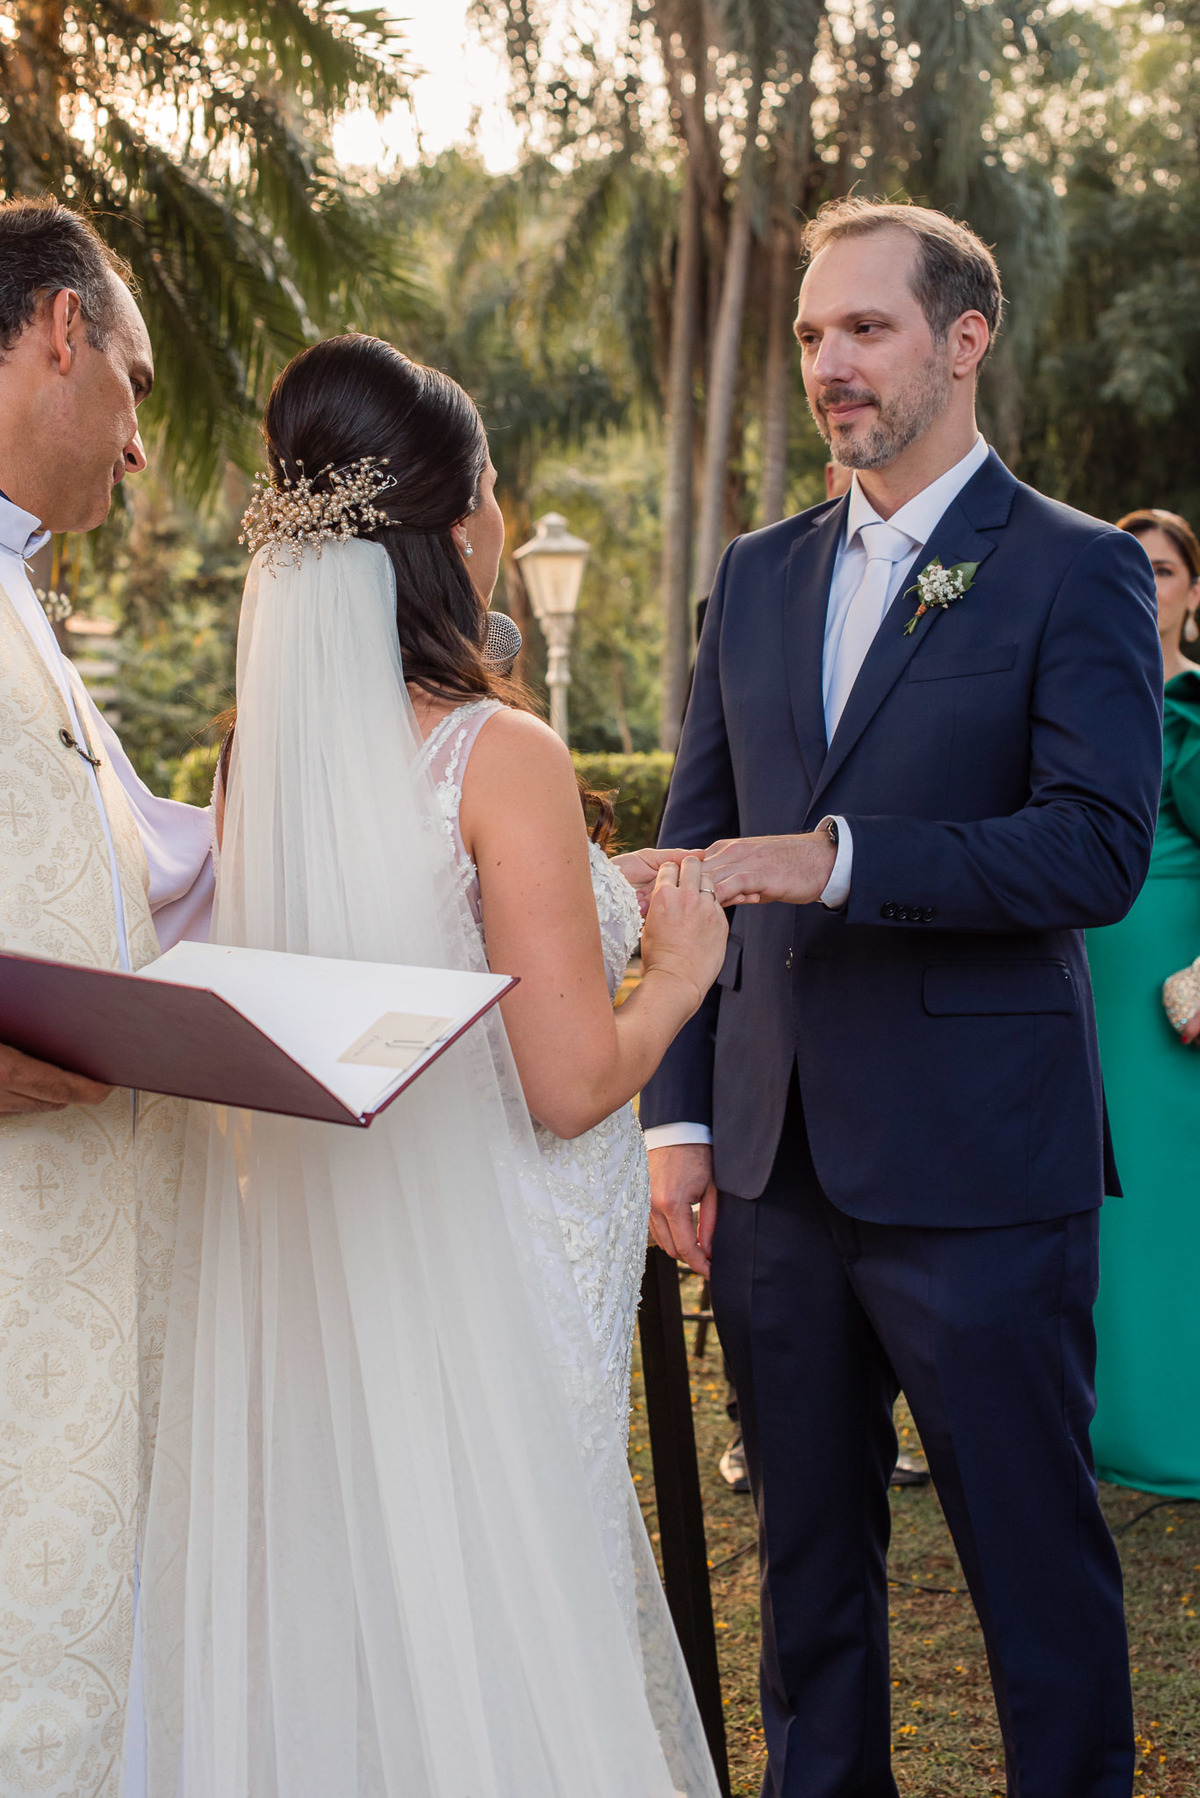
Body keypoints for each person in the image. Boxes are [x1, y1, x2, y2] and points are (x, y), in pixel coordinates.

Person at [135, 336, 727, 1798]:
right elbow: (570, 1082)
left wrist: (588, 903)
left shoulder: (261, 764)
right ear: (460, 526)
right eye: (495, 488)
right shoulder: (498, 752)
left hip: (335, 1264)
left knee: (372, 1599)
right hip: (494, 1267)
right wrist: (678, 972)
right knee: (508, 1608)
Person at [633, 197, 1163, 1797]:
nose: (830, 363)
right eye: (812, 334)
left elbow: (1097, 847)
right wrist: (678, 1118)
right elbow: (696, 852)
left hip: (983, 1167)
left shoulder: (1075, 568)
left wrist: (845, 858)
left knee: (1035, 1574)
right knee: (807, 1582)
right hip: (772, 1163)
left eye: (866, 327)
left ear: (963, 338)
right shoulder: (755, 574)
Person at [0, 198, 212, 1798]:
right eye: (134, 385)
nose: (140, 445)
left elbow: (118, 861)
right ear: (62, 332)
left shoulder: (27, 599)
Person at [1087, 508, 1200, 1499]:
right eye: (1130, 566)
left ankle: (1174, 1428)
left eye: (1164, 569)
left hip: (1169, 987)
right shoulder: (1082, 694)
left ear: (1193, 593)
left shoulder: (1192, 709)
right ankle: (1103, 1415)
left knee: (1167, 1195)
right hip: (1081, 972)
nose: (1146, 583)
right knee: (1095, 1202)